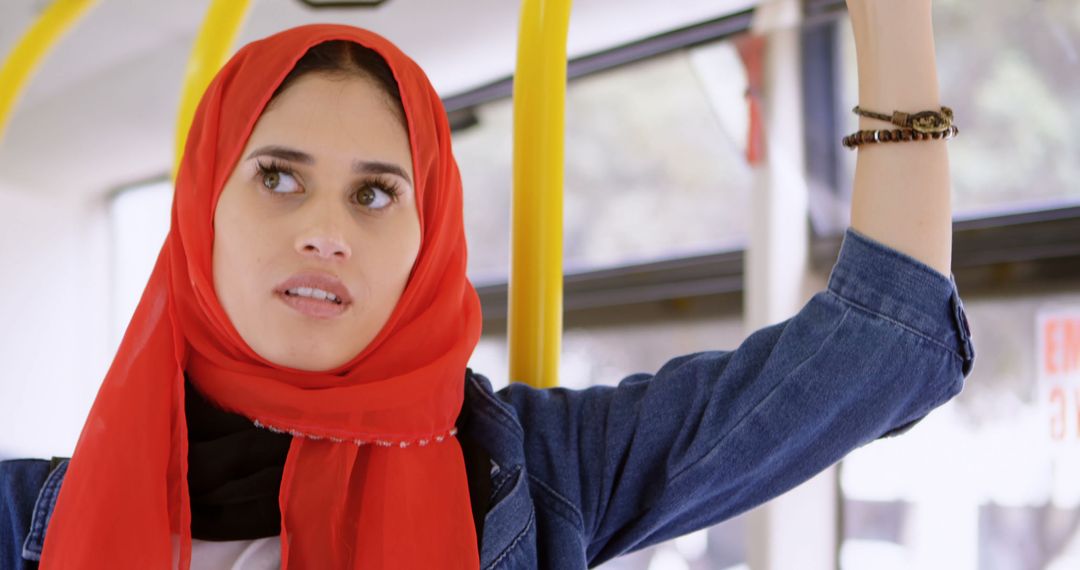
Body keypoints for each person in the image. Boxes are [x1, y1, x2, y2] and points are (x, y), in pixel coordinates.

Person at [0, 1, 975, 568]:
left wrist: (893, 16)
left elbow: (874, 349)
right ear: (203, 208)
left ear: (429, 235)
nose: (326, 233)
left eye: (376, 193)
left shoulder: (535, 475)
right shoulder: (24, 523)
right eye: (279, 178)